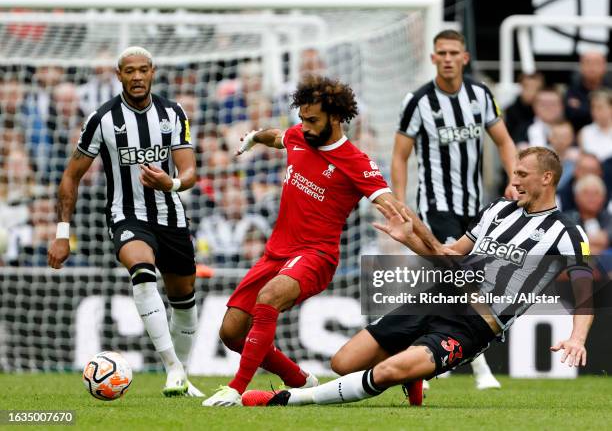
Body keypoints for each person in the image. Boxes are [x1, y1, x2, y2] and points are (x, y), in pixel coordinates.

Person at [243, 147, 594, 408]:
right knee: (342, 363)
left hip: (473, 325)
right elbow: (452, 254)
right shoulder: (498, 210)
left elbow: (585, 292)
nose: (513, 180)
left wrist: (577, 338)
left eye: (521, 175)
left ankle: (289, 399)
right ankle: (414, 375)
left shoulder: (567, 233)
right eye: (514, 173)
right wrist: (409, 238)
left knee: (385, 373)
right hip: (439, 296)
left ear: (546, 178)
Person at [202, 75, 442, 407]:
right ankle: (300, 380)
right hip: (275, 253)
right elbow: (279, 136)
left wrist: (439, 251)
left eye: (312, 120)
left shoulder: (357, 162)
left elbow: (398, 209)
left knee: (269, 298)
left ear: (335, 117)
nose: (305, 126)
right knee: (230, 333)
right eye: (301, 119)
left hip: (316, 256)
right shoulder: (300, 136)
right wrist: (256, 137)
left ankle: (236, 388)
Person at [47, 46, 203, 397]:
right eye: (129, 71)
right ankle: (172, 366)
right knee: (143, 272)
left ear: (152, 72)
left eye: (142, 70)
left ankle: (183, 374)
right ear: (119, 75)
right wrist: (62, 234)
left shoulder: (173, 113)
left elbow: (190, 170)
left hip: (171, 215)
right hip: (126, 215)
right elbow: (70, 177)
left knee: (184, 299)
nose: (136, 77)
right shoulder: (102, 119)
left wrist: (172, 183)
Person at [391, 29, 516, 389]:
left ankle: (421, 352)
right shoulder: (417, 102)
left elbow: (504, 140)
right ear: (433, 58)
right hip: (436, 206)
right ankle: (478, 367)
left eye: (453, 53)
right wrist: (399, 203)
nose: (447, 58)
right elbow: (400, 156)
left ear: (464, 57)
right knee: (458, 277)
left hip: (475, 208)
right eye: (440, 53)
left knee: (450, 282)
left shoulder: (480, 95)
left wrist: (515, 179)